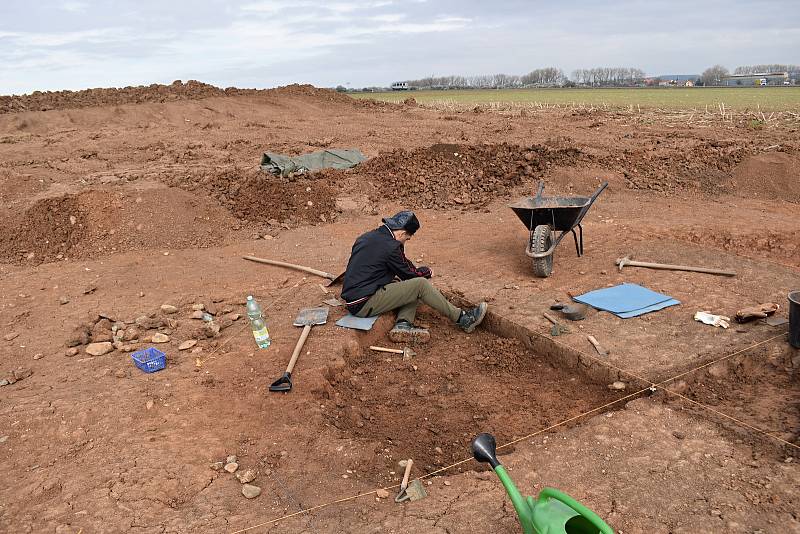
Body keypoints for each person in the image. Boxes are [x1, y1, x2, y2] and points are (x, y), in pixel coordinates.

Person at [341, 210, 488, 343]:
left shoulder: (366, 237)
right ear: (402, 233)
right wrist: (427, 271)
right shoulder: (391, 246)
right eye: (407, 238)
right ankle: (463, 319)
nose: (405, 241)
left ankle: (403, 325)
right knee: (419, 284)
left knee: (406, 285)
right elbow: (410, 273)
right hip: (363, 303)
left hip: (355, 298)